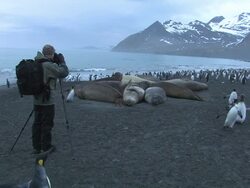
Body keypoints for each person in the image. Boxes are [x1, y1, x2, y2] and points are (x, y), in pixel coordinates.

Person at [32, 44, 69, 154]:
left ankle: (36, 147)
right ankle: (46, 147)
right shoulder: (48, 65)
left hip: (36, 99)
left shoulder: (36, 63)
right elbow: (63, 73)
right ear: (51, 53)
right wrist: (62, 62)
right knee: (47, 124)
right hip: (47, 100)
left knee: (37, 123)